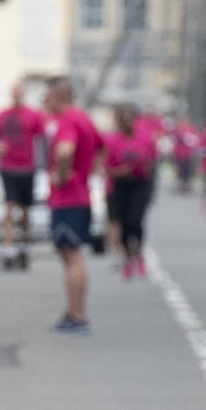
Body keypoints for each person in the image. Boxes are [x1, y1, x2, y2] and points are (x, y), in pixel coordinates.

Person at [44, 76, 104, 333]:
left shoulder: (68, 120)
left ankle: (77, 314)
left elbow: (65, 151)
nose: (44, 102)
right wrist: (89, 171)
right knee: (72, 256)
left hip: (68, 198)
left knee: (72, 256)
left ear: (58, 96)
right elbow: (102, 147)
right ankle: (75, 312)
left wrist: (63, 173)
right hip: (80, 195)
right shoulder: (85, 118)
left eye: (47, 96)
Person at [0, 82, 46, 271]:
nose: (17, 96)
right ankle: (9, 249)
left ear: (24, 94)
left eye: (20, 93)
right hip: (8, 167)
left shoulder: (33, 115)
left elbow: (43, 139)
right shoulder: (2, 115)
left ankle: (23, 246)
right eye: (14, 92)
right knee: (9, 207)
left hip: (27, 167)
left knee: (25, 210)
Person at [103, 103, 156, 280]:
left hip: (140, 184)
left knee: (136, 221)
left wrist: (144, 170)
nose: (126, 123)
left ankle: (138, 253)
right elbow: (106, 167)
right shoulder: (113, 141)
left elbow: (152, 159)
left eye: (129, 119)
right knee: (124, 224)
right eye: (122, 119)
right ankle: (127, 258)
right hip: (120, 185)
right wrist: (121, 171)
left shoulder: (144, 138)